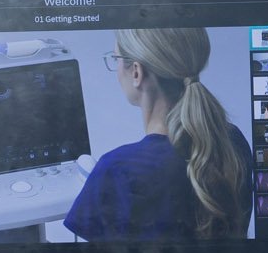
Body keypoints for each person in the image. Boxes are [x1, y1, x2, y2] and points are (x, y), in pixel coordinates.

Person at [64, 27, 253, 240]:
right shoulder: (232, 142)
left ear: (136, 72)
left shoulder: (116, 169)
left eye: (116, 58)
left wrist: (99, 188)